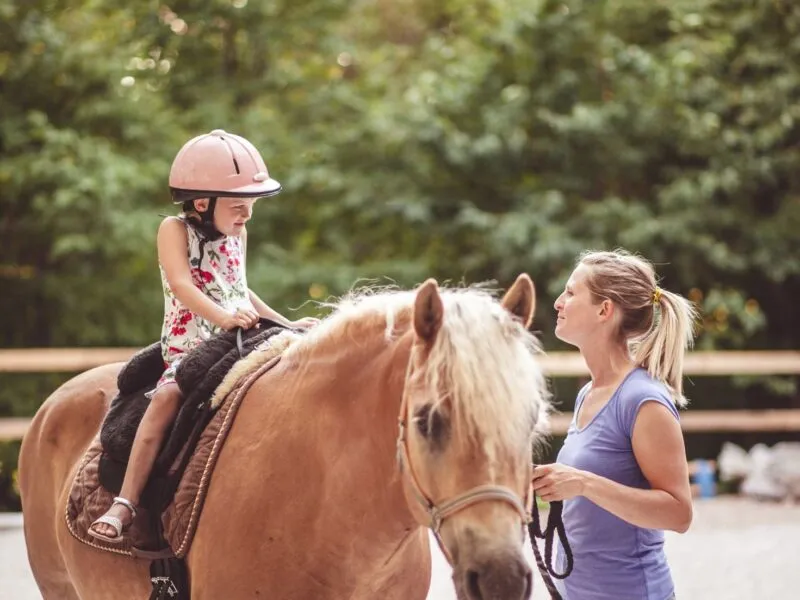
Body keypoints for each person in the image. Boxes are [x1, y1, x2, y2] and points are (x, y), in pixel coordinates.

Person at [89, 129, 318, 543]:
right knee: (165, 398)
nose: (246, 215)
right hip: (193, 341)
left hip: (238, 337)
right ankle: (126, 501)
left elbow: (240, 289)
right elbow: (182, 284)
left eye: (251, 205)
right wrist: (224, 318)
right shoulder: (174, 231)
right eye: (238, 206)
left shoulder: (237, 235)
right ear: (201, 203)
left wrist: (285, 324)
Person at [532, 249, 696, 600]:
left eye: (571, 292)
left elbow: (679, 513)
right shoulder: (589, 393)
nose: (559, 302)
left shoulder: (642, 400)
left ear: (605, 310)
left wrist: (585, 484)